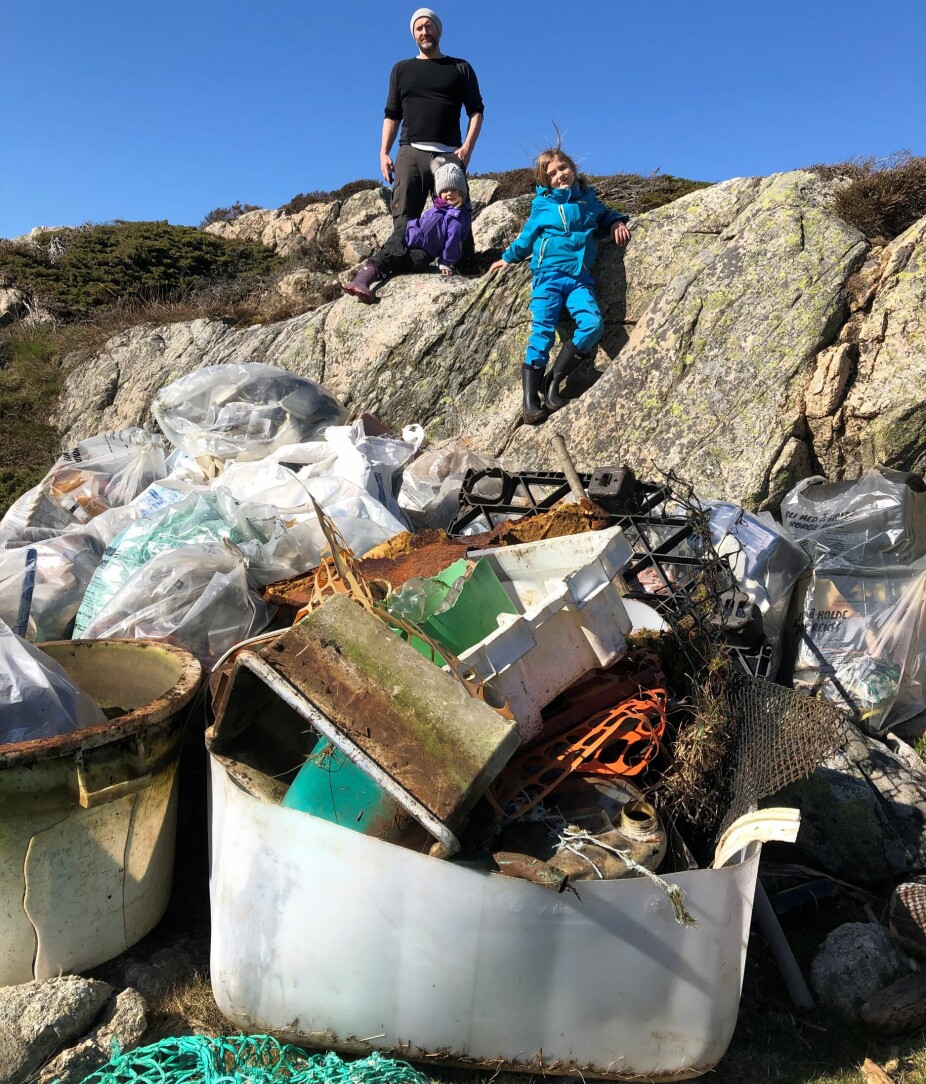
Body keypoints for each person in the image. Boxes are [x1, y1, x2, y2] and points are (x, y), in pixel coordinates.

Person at [487, 147, 631, 425]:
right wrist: (506, 259)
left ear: (573, 168)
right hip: (547, 278)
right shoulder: (542, 206)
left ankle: (554, 379)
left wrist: (615, 222)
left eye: (562, 168)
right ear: (544, 181)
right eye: (551, 173)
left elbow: (606, 214)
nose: (559, 175)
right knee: (542, 335)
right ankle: (530, 400)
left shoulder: (589, 201)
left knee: (592, 325)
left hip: (580, 279)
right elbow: (526, 239)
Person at [381, 8, 484, 232]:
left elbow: (476, 111)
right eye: (419, 28)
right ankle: (403, 264)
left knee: (457, 224)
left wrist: (468, 147)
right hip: (410, 153)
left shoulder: (460, 68)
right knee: (403, 223)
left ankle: (458, 264)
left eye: (429, 26)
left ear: (439, 30)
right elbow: (392, 114)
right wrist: (384, 152)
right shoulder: (401, 70)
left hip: (450, 155)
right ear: (413, 34)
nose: (424, 31)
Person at [343, 158, 472, 302]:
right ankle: (362, 280)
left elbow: (453, 241)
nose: (449, 194)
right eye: (445, 190)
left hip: (423, 252)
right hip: (407, 232)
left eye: (454, 189)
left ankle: (367, 278)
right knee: (393, 250)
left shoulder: (457, 217)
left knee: (416, 262)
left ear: (462, 192)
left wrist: (445, 262)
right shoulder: (438, 207)